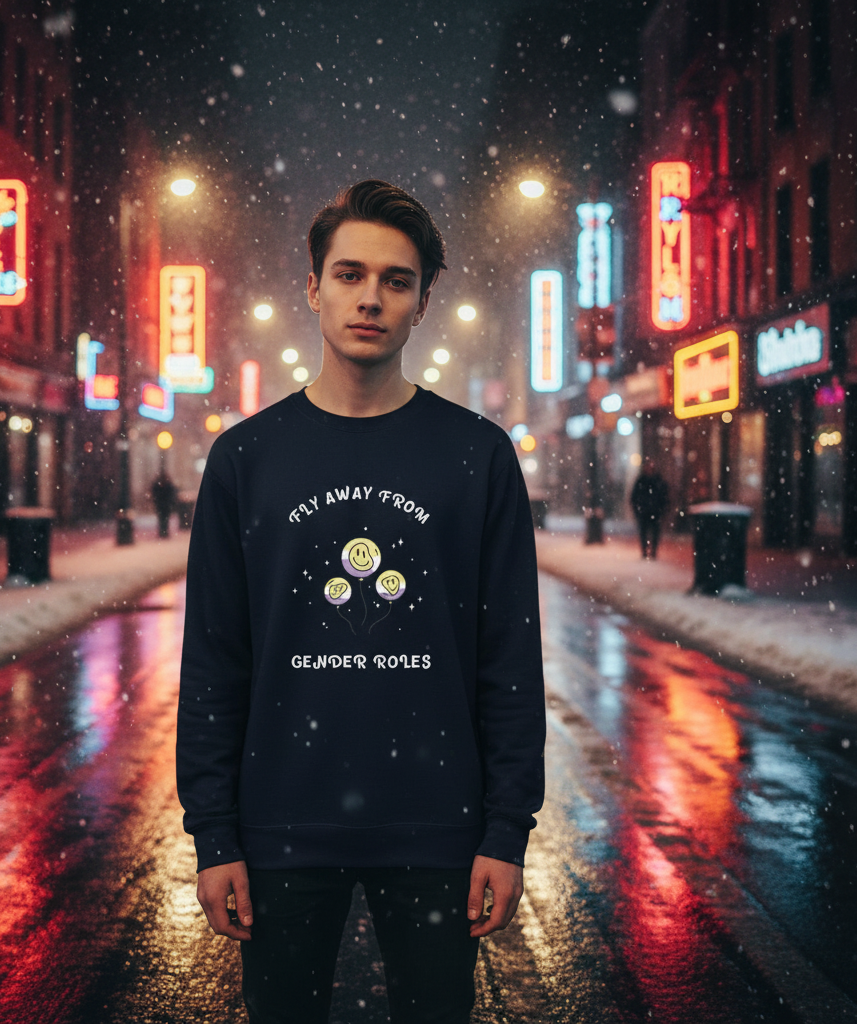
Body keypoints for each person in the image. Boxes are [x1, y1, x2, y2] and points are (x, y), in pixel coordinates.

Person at [177, 179, 545, 1024]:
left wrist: (503, 832)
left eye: (396, 280)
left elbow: (509, 663)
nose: (370, 298)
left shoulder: (477, 458)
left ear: (422, 303)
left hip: (438, 834)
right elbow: (215, 663)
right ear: (311, 288)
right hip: (281, 832)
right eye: (348, 275)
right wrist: (216, 836)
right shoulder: (246, 460)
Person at [630, 458, 669, 559]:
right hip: (645, 511)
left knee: (654, 532)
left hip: (655, 511)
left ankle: (653, 551)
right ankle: (645, 551)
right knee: (644, 532)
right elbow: (634, 497)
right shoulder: (642, 481)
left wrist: (662, 508)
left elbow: (664, 496)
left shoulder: (656, 481)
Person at [150, 469, 177, 538]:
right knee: (164, 518)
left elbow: (154, 493)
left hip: (162, 504)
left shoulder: (159, 485)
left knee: (162, 518)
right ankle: (164, 531)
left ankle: (163, 531)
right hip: (164, 504)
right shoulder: (168, 485)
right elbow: (172, 494)